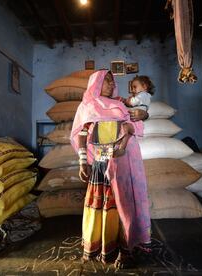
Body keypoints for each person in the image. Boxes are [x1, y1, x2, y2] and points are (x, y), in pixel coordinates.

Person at [70, 70, 151, 269]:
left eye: (112, 81)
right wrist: (82, 161)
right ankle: (105, 247)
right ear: (95, 84)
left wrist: (145, 114)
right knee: (105, 204)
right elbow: (82, 133)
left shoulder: (121, 104)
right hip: (101, 158)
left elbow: (134, 122)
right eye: (105, 81)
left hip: (124, 159)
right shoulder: (87, 106)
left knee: (124, 204)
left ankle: (126, 250)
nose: (111, 85)